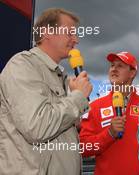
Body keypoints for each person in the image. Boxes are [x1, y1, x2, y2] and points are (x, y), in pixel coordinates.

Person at [0, 8, 92, 175]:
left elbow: (57, 125)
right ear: (46, 32)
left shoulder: (60, 76)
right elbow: (37, 127)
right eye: (70, 33)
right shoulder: (22, 65)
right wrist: (78, 97)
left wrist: (75, 112)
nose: (76, 40)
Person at [79, 51, 139, 175]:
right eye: (112, 65)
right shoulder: (94, 107)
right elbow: (83, 148)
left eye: (120, 66)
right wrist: (109, 134)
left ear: (132, 73)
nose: (114, 69)